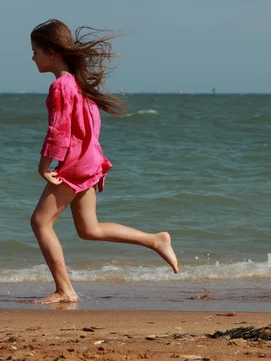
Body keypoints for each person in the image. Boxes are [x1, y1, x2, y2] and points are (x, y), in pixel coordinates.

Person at [29, 19, 178, 304]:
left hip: (75, 164)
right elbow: (90, 126)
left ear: (52, 52)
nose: (32, 57)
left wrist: (44, 166)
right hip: (89, 160)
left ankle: (65, 290)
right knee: (89, 229)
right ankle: (155, 240)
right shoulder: (79, 85)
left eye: (35, 50)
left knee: (40, 222)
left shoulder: (61, 86)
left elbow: (58, 131)